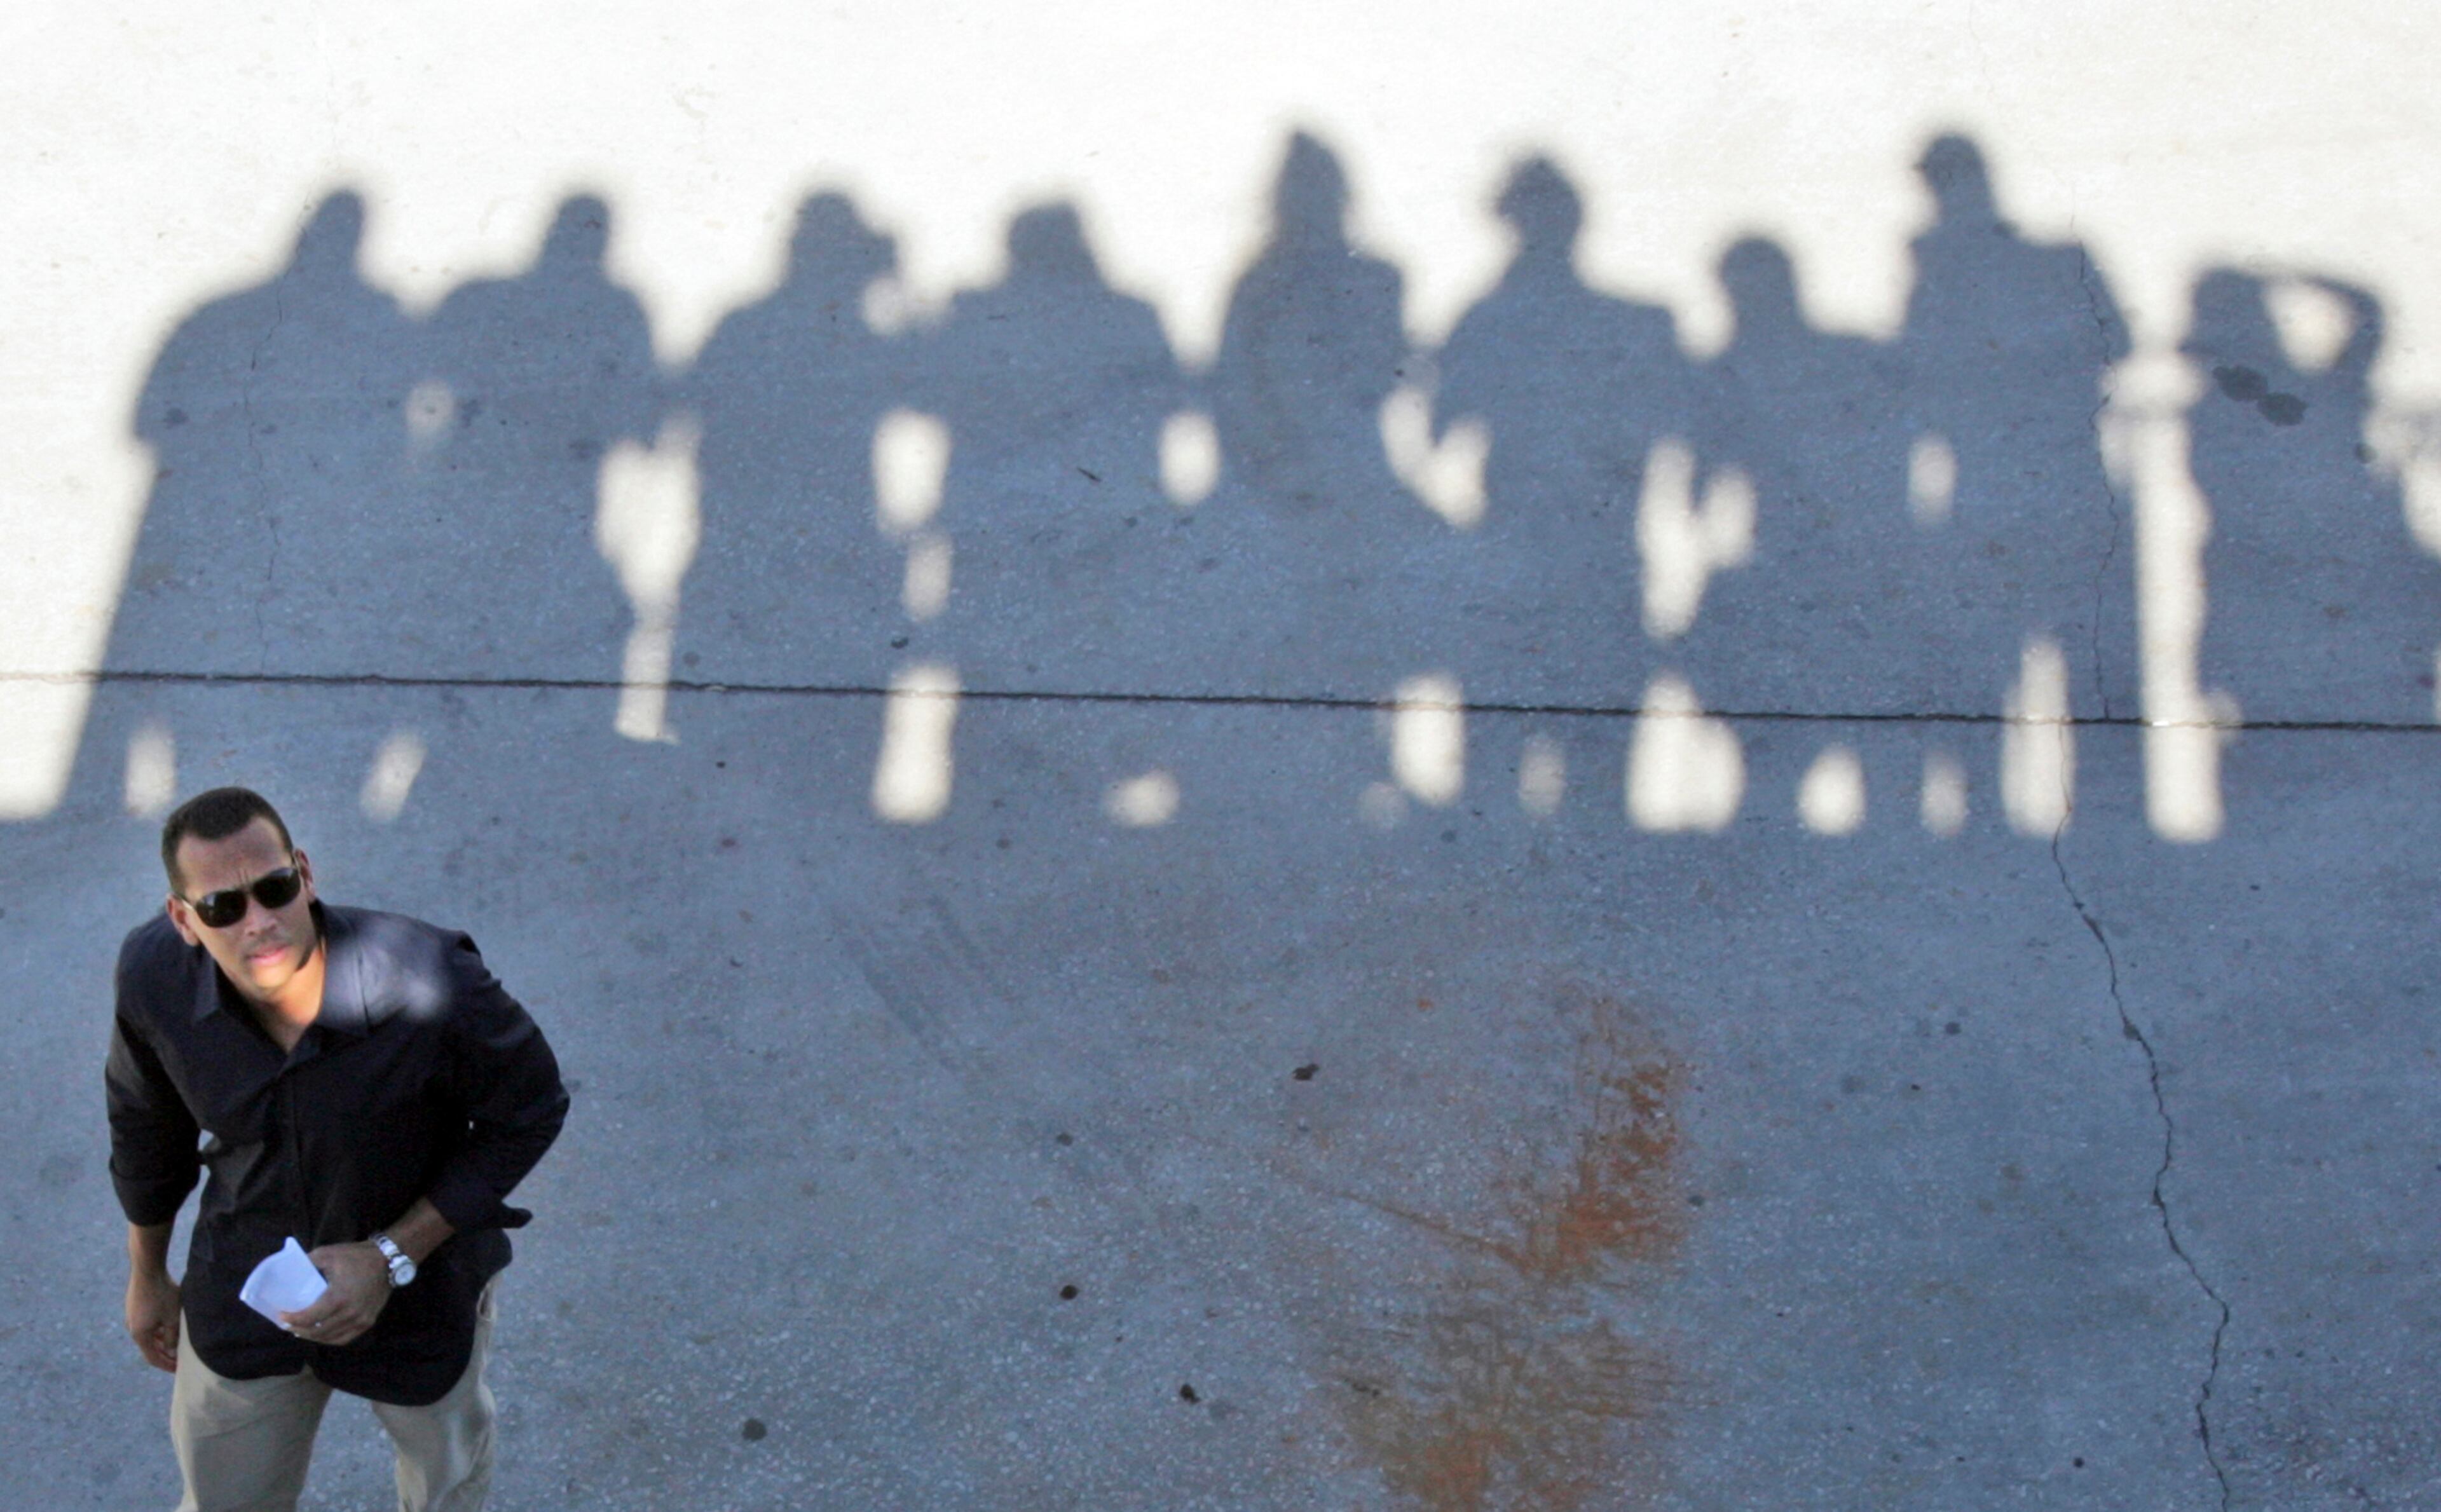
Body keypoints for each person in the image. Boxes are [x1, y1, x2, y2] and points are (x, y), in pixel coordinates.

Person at [106, 787, 569, 1511]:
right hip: (245, 1286)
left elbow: (532, 1108)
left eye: (275, 889)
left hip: (422, 1297)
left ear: (306, 874)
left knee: (446, 1481)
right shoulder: (153, 978)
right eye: (224, 906)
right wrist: (147, 1276)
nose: (259, 922)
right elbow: (146, 1130)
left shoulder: (431, 976)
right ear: (183, 920)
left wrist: (391, 1254)